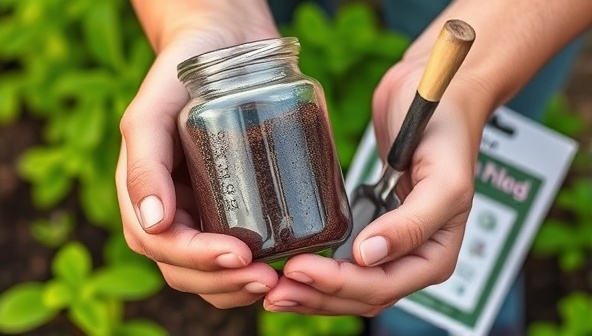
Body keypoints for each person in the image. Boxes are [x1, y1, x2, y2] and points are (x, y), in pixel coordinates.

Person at [115, 0, 592, 334]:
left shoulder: (295, 91)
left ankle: (424, 323)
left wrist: (476, 77)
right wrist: (204, 14)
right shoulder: (207, 113)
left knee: (463, 149)